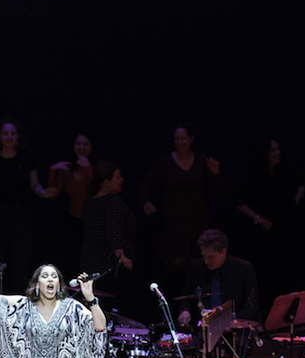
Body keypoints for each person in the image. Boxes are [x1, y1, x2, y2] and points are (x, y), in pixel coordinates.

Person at [140, 122, 222, 293]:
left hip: (197, 224)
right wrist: (146, 202)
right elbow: (144, 185)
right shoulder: (166, 161)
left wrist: (215, 173)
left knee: (199, 269)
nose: (179, 142)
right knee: (174, 275)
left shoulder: (200, 160)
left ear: (191, 139)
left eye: (183, 138)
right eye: (176, 138)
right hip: (174, 226)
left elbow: (220, 190)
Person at [0, 117, 57, 292]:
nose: (9, 137)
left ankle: (20, 307)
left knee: (21, 264)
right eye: (5, 133)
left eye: (12, 133)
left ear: (18, 136)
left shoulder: (27, 158)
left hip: (22, 218)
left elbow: (34, 185)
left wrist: (44, 192)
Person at [236, 138, 305, 311]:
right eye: (273, 150)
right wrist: (257, 217)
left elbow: (301, 182)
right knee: (262, 276)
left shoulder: (283, 172)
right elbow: (239, 201)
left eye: (278, 149)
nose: (277, 153)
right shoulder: (254, 174)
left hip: (281, 232)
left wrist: (298, 195)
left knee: (280, 275)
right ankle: (262, 313)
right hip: (260, 235)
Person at [79, 161, 135, 306]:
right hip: (108, 265)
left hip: (89, 261)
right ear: (106, 182)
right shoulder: (111, 201)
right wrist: (122, 257)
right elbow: (113, 230)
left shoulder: (88, 203)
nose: (121, 180)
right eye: (118, 177)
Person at [177, 229, 260, 327]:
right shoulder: (196, 268)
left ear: (223, 252)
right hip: (203, 328)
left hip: (233, 329)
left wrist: (232, 321)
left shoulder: (243, 268)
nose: (206, 261)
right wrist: (185, 311)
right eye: (204, 256)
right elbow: (187, 296)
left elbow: (252, 305)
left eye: (211, 257)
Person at [49, 133, 94, 273]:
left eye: (86, 144)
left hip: (93, 224)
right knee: (71, 263)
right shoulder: (67, 169)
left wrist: (88, 168)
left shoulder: (96, 168)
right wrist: (52, 170)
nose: (81, 147)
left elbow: (97, 192)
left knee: (89, 265)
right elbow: (53, 193)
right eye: (78, 143)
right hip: (73, 222)